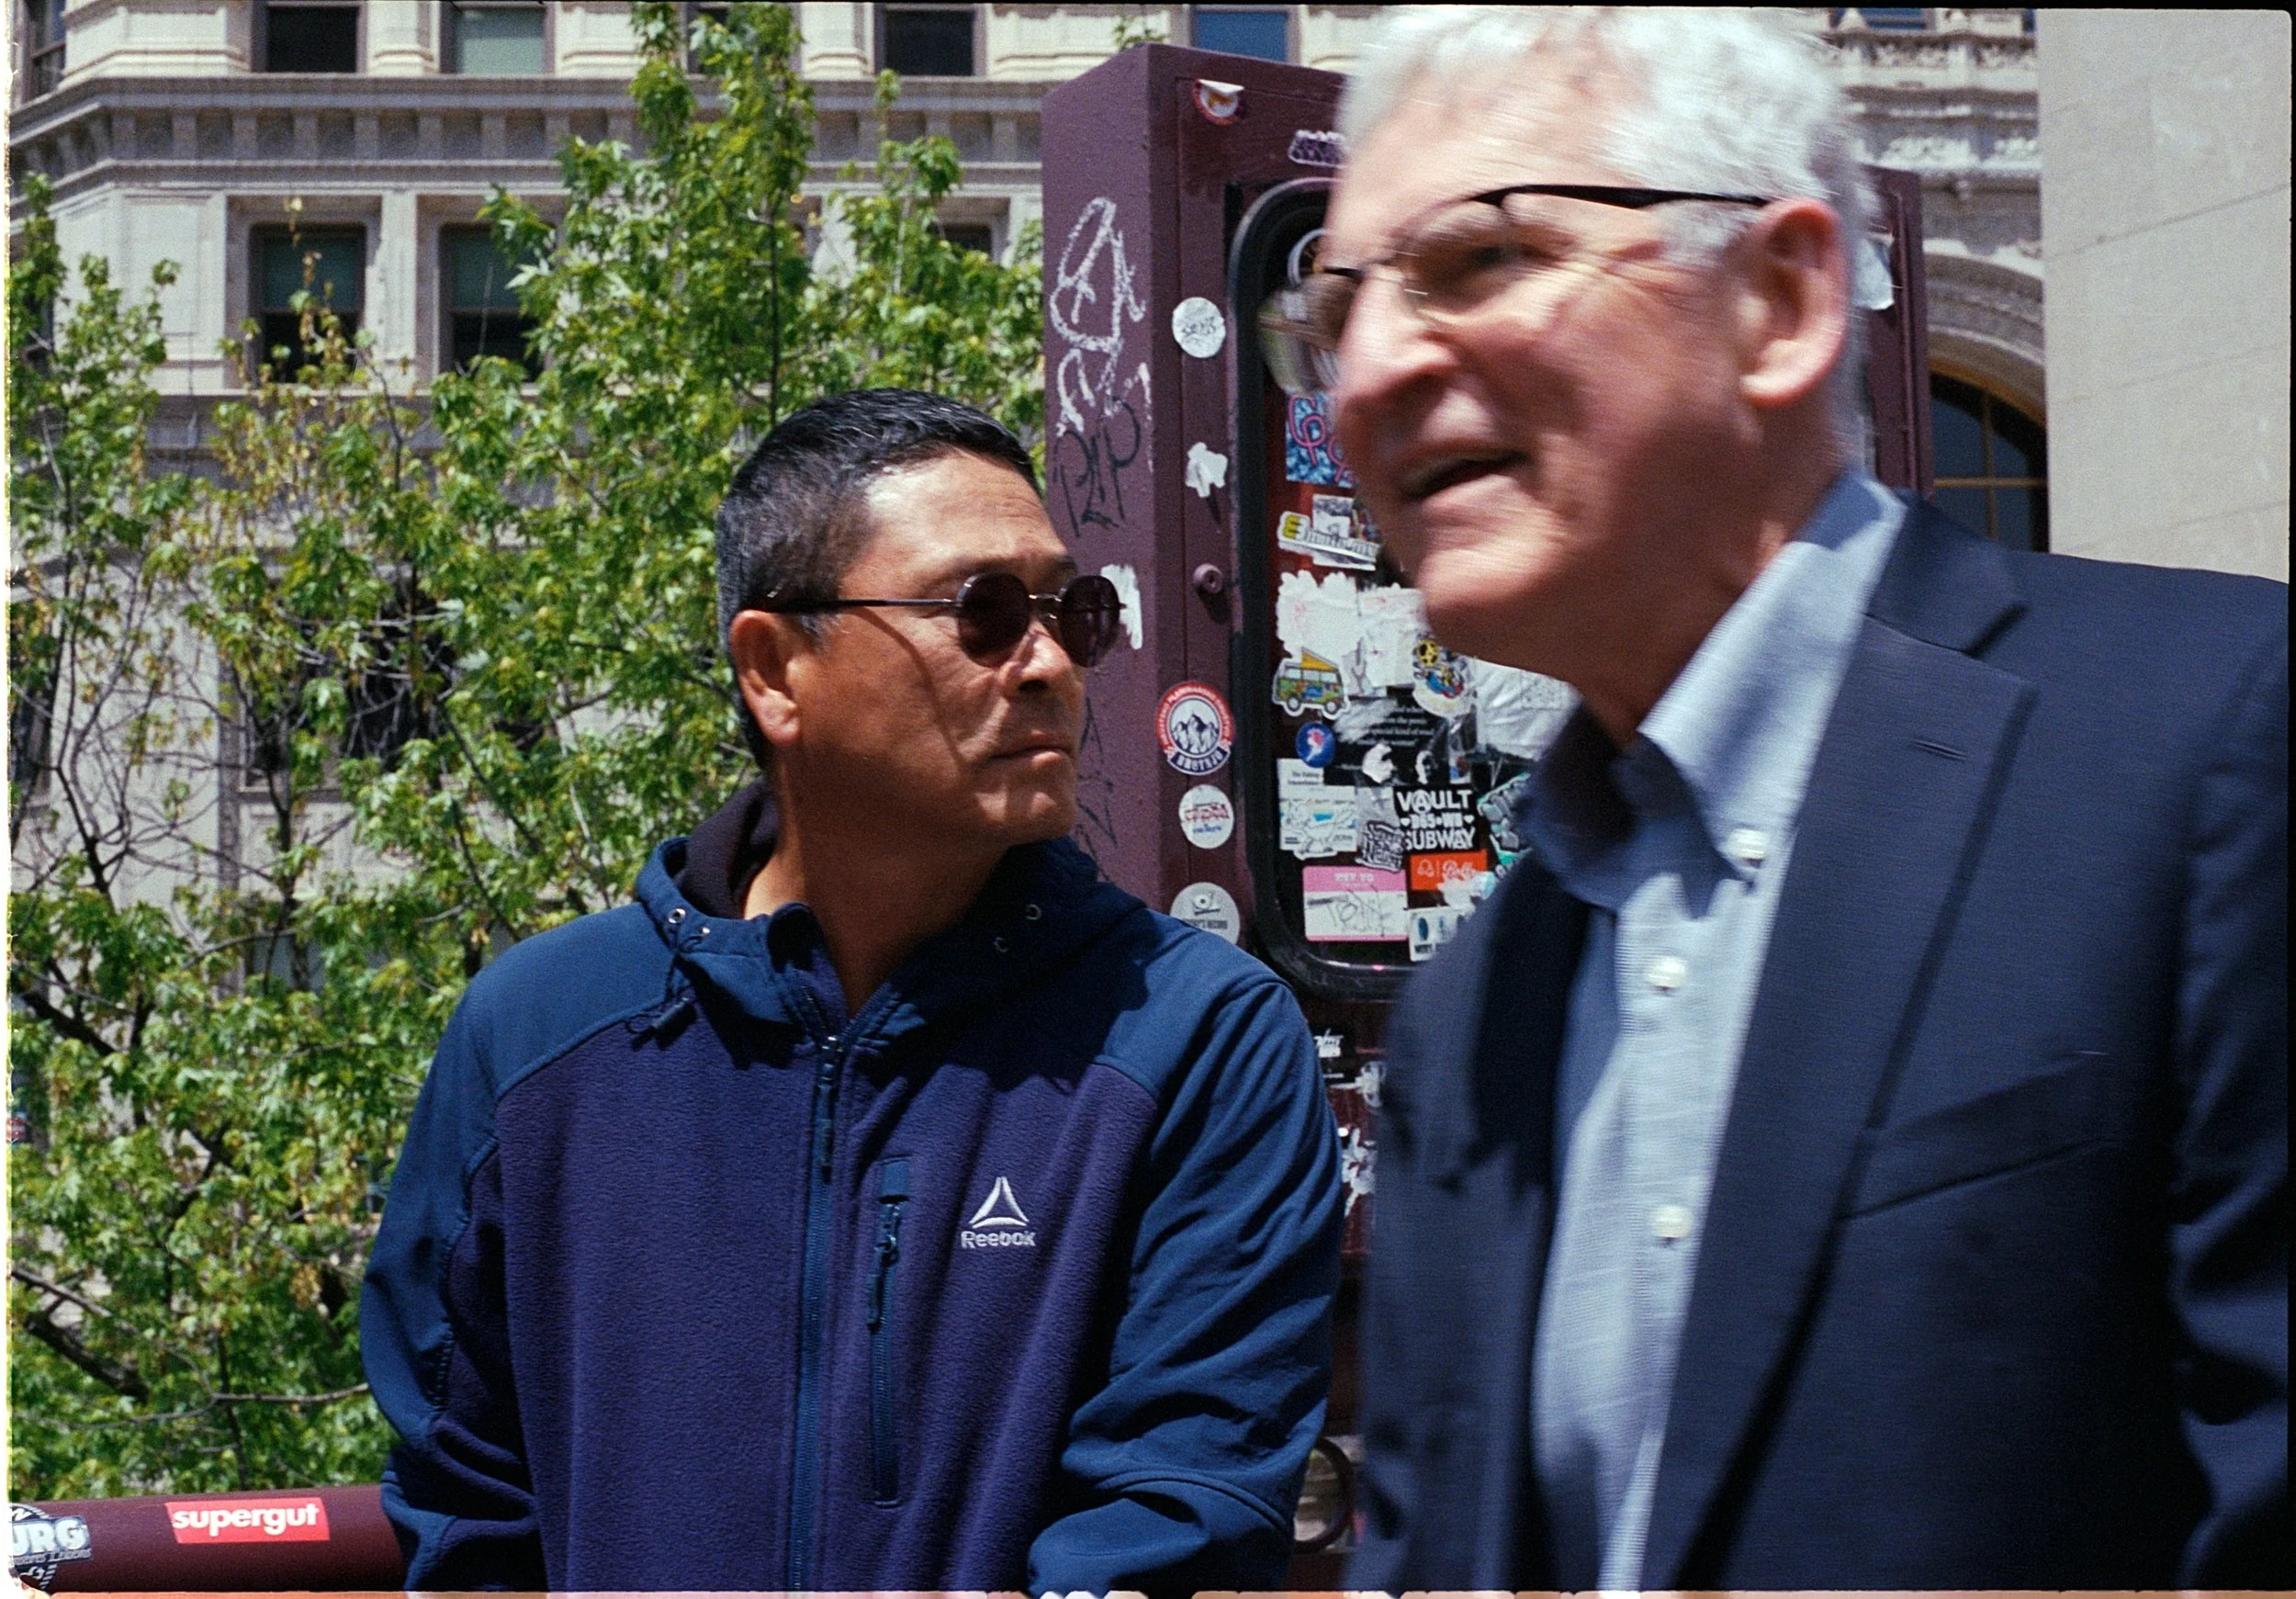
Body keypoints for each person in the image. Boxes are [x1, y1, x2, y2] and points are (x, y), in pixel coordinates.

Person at [1271, 8, 2288, 1590]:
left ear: (1779, 298)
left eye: (1478, 261)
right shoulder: (1477, 1010)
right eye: (1335, 310)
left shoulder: (2213, 747)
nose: (1378, 365)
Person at [361, 388, 1342, 1593]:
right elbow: (465, 1515)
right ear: (775, 670)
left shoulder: (1197, 1039)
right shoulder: (535, 1042)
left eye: (1072, 612)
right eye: (980, 613)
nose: (1048, 666)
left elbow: (1175, 1522)